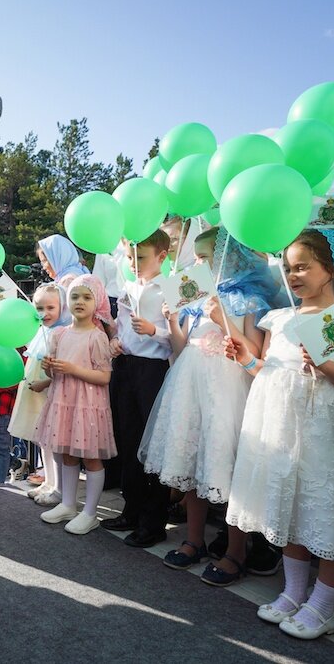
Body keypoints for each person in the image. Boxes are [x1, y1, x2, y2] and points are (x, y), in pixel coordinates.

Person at [225, 229, 334, 640]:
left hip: (325, 430)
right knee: (292, 510)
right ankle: (295, 591)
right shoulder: (280, 318)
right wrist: (247, 360)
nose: (293, 276)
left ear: (331, 269)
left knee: (331, 512)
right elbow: (271, 371)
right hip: (281, 427)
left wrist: (326, 365)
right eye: (289, 268)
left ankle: (323, 604)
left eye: (303, 267)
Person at [140, 226, 273, 586]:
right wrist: (171, 318)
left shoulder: (249, 298)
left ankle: (236, 550)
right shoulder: (196, 297)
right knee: (194, 461)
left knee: (225, 465)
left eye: (205, 257)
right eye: (197, 257)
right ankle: (193, 539)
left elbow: (256, 353)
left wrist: (222, 319)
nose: (197, 263)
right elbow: (181, 349)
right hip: (190, 384)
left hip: (228, 389)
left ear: (230, 256)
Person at [99, 230, 173, 548]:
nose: (134, 263)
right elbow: (123, 327)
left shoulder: (170, 287)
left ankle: (153, 521)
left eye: (140, 258)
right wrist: (116, 341)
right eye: (130, 257)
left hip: (153, 370)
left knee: (150, 444)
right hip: (127, 367)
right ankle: (131, 509)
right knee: (127, 438)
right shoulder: (128, 287)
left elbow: (180, 333)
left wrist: (156, 330)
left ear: (162, 256)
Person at [34, 274, 115, 535]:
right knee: (67, 454)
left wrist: (73, 368)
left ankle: (90, 513)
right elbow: (54, 375)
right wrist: (50, 369)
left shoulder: (97, 337)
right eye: (75, 296)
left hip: (88, 405)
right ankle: (68, 504)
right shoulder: (60, 334)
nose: (80, 301)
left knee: (90, 458)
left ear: (98, 301)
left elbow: (104, 377)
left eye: (87, 297)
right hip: (64, 401)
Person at [13, 283, 71, 506]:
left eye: (50, 307)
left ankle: (59, 487)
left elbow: (62, 369)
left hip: (50, 389)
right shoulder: (42, 331)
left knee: (54, 439)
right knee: (43, 439)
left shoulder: (63, 332)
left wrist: (44, 383)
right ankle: (49, 480)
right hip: (37, 387)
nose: (44, 314)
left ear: (62, 307)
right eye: (39, 308)